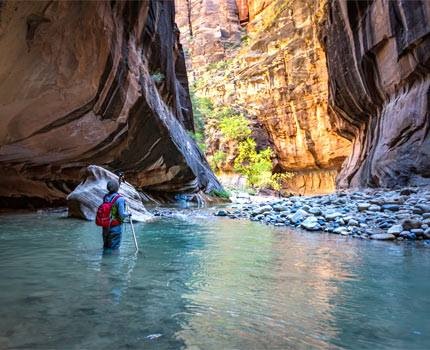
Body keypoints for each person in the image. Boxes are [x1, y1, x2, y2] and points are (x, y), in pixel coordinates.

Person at [102, 180, 131, 251]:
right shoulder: (119, 199)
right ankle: (110, 261)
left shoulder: (105, 197)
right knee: (113, 249)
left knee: (106, 246)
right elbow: (121, 215)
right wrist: (129, 213)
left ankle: (104, 261)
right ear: (117, 188)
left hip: (105, 227)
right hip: (115, 227)